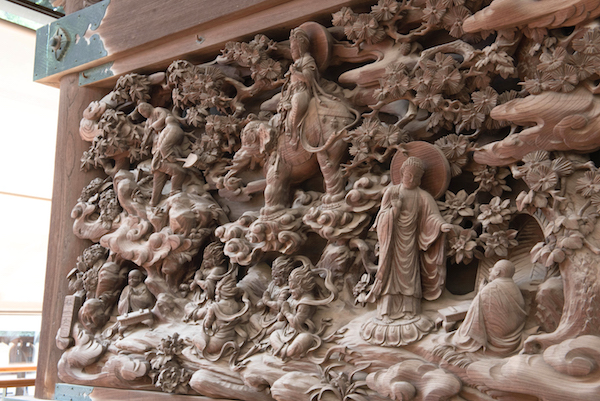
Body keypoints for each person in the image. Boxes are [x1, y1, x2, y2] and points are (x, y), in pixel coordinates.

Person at [366, 157, 453, 323]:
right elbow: (381, 217)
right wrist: (394, 211)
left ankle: (409, 310)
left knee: (408, 276)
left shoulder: (423, 195)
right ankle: (385, 312)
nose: (411, 179)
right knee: (390, 275)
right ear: (402, 173)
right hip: (391, 240)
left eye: (416, 177)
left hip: (410, 242)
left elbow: (432, 216)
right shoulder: (392, 192)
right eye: (408, 175)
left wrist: (441, 226)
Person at [443, 259, 527, 356]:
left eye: (493, 268)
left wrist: (481, 292)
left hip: (497, 340)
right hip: (513, 337)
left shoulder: (491, 288)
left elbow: (474, 316)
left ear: (498, 272)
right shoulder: (514, 287)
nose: (490, 270)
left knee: (456, 338)